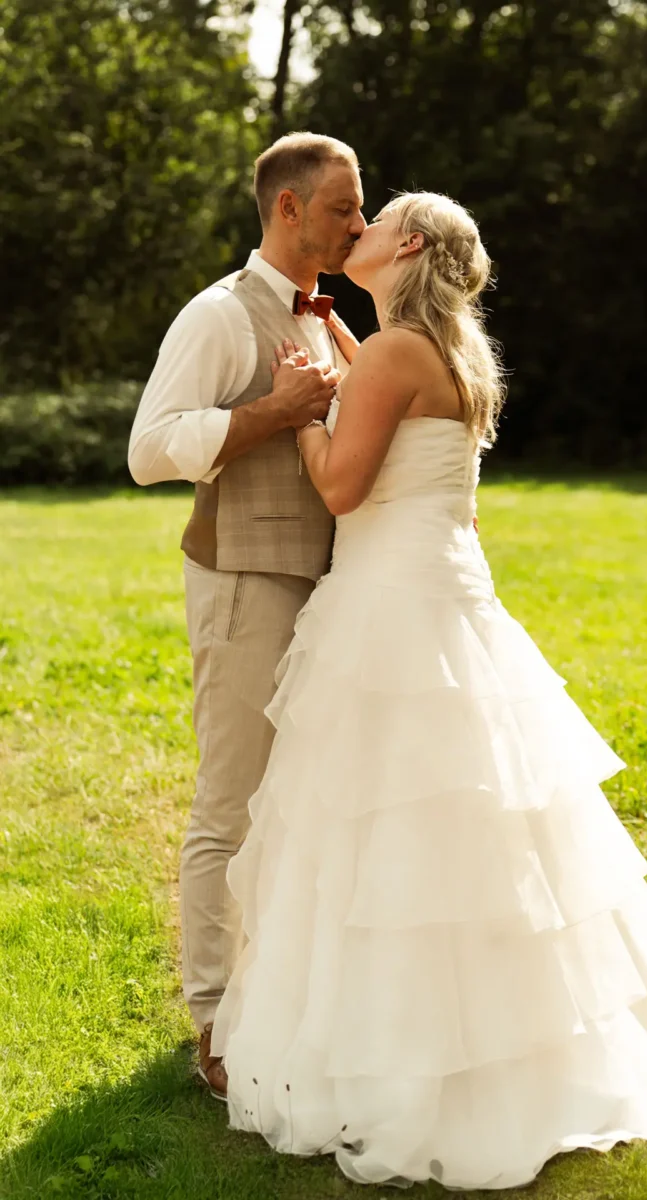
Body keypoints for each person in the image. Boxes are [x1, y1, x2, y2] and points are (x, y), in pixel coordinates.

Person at [210, 190, 647, 1189]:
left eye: (373, 224)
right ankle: (505, 1035)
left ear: (406, 244)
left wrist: (296, 411)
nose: (355, 230)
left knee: (386, 828)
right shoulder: (452, 349)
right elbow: (397, 414)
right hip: (450, 598)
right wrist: (340, 338)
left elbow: (340, 487)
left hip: (386, 609)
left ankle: (400, 1054)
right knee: (470, 823)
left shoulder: (388, 357)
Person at [128, 132, 366, 1099]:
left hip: (321, 586)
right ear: (289, 210)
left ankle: (280, 1001)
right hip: (243, 581)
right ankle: (214, 1024)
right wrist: (271, 413)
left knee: (297, 807)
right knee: (229, 809)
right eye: (346, 207)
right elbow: (149, 449)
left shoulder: (322, 316)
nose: (360, 222)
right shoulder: (219, 315)